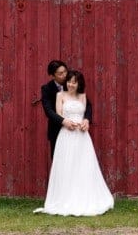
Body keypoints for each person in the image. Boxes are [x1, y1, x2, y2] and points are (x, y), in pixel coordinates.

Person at [34, 70, 114, 216]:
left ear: (79, 84)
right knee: (66, 165)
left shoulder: (83, 96)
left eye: (74, 82)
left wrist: (85, 122)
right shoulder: (60, 95)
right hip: (66, 134)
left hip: (82, 136)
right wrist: (66, 123)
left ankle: (84, 197)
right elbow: (58, 115)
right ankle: (64, 198)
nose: (71, 84)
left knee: (83, 165)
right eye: (69, 81)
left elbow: (86, 113)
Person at [40, 60, 92, 158]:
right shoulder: (46, 89)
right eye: (60, 73)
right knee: (59, 160)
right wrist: (63, 121)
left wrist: (87, 119)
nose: (64, 75)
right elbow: (48, 111)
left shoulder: (71, 83)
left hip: (78, 130)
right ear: (52, 75)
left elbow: (87, 105)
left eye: (65, 71)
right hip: (57, 129)